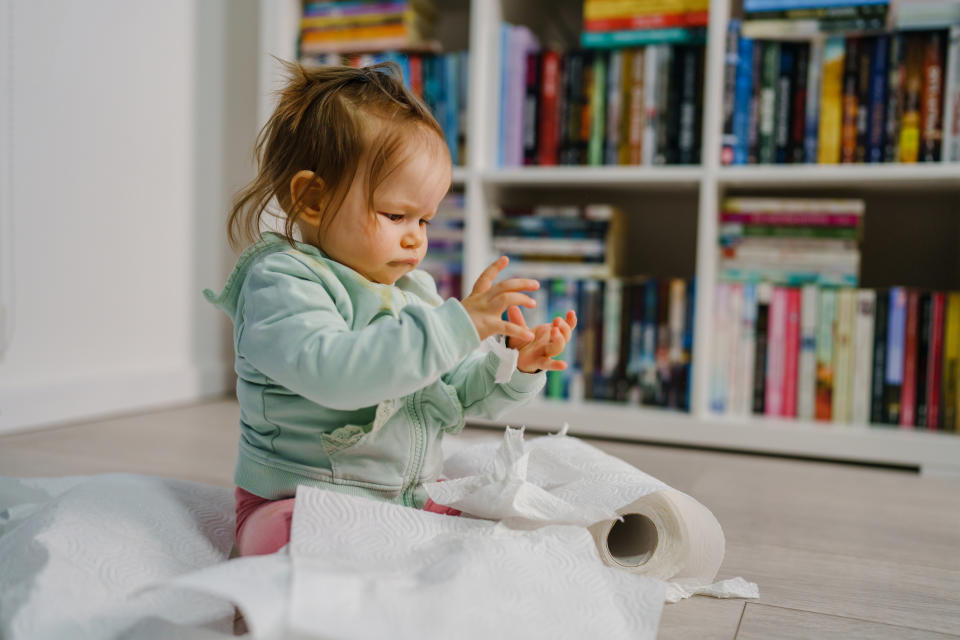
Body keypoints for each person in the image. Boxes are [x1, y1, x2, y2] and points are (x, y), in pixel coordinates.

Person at [204, 61, 577, 556]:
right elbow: (335, 372)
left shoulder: (414, 293)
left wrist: (513, 367)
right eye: (396, 215)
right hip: (299, 497)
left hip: (402, 499)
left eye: (425, 219)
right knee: (300, 542)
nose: (415, 237)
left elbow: (458, 394)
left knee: (492, 534)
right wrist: (454, 327)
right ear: (312, 199)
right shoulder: (282, 281)